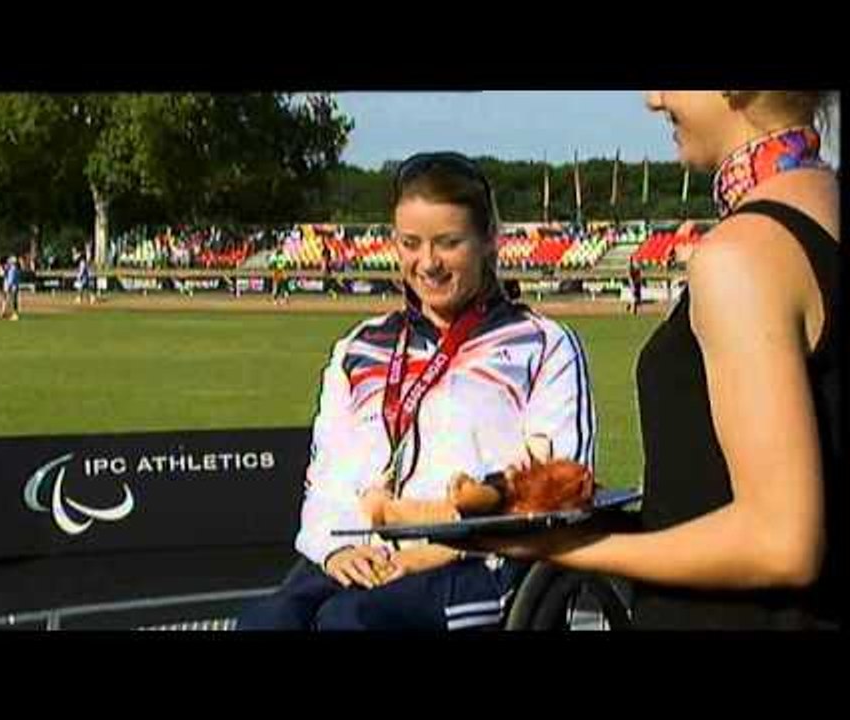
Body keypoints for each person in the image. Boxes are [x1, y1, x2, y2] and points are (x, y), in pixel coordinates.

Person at [448, 91, 842, 630]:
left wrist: (566, 548)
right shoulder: (822, 206)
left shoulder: (742, 254)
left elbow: (779, 543)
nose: (653, 100)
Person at [238, 151, 597, 630]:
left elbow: (561, 485)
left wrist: (439, 551)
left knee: (353, 623)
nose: (427, 264)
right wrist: (336, 549)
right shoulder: (359, 347)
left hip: (482, 567)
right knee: (268, 621)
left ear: (490, 239)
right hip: (367, 556)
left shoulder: (543, 344)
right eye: (410, 243)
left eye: (448, 243)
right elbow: (327, 481)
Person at [4, 255, 21, 321]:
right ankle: (13, 314)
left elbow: (12, 279)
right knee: (12, 300)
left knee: (13, 300)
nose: (8, 262)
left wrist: (10, 286)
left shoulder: (13, 269)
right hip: (13, 286)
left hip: (13, 286)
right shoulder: (12, 269)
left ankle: (15, 315)